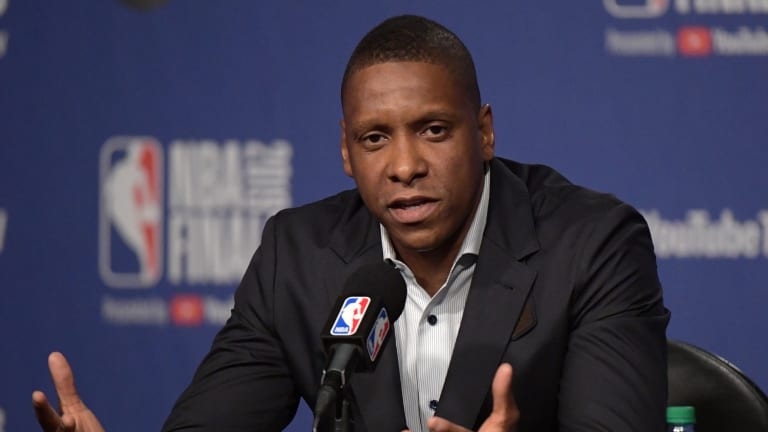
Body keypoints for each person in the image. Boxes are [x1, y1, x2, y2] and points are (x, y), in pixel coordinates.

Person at [33, 15, 669, 432]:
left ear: (484, 133)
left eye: (434, 130)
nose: (405, 166)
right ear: (345, 150)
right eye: (374, 139)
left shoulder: (591, 244)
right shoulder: (297, 257)